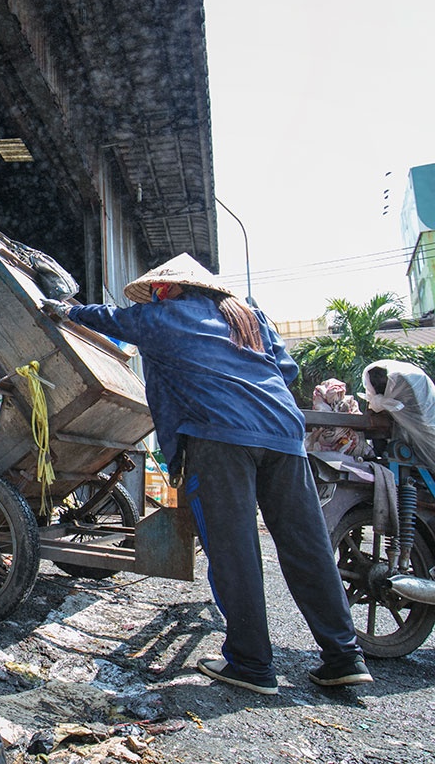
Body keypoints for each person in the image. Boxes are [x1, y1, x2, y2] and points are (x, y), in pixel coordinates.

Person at [40, 253, 372, 694]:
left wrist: (64, 309)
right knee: (306, 547)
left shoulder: (164, 317)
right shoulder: (250, 317)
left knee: (234, 550)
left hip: (219, 438)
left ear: (173, 288)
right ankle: (343, 656)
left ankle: (251, 664)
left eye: (159, 290)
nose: (156, 296)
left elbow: (111, 319)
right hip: (283, 433)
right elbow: (285, 369)